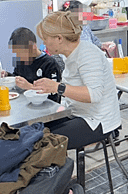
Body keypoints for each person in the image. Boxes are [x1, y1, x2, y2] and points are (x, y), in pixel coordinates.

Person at [33, 11, 121, 150]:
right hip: (76, 113)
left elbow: (94, 94)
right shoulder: (69, 55)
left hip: (97, 121)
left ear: (59, 38)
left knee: (42, 142)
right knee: (34, 129)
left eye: (45, 38)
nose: (43, 43)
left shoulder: (88, 54)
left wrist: (58, 87)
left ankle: (54, 171)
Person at [9, 26, 62, 101]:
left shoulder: (49, 64)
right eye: (16, 53)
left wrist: (30, 87)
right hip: (24, 103)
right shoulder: (21, 61)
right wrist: (7, 75)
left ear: (33, 46)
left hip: (45, 108)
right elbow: (16, 76)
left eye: (21, 52)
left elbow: (53, 94)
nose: (18, 56)